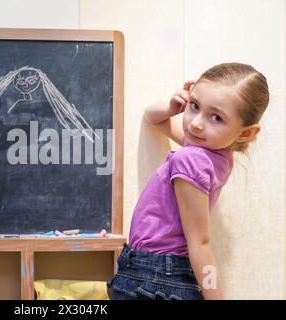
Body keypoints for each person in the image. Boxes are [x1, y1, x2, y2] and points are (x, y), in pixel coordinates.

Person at [108, 62, 269, 300]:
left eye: (216, 117)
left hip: (152, 275)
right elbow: (153, 117)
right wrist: (174, 107)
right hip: (163, 275)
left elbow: (201, 244)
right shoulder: (215, 152)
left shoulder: (191, 157)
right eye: (194, 106)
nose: (195, 123)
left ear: (245, 133)